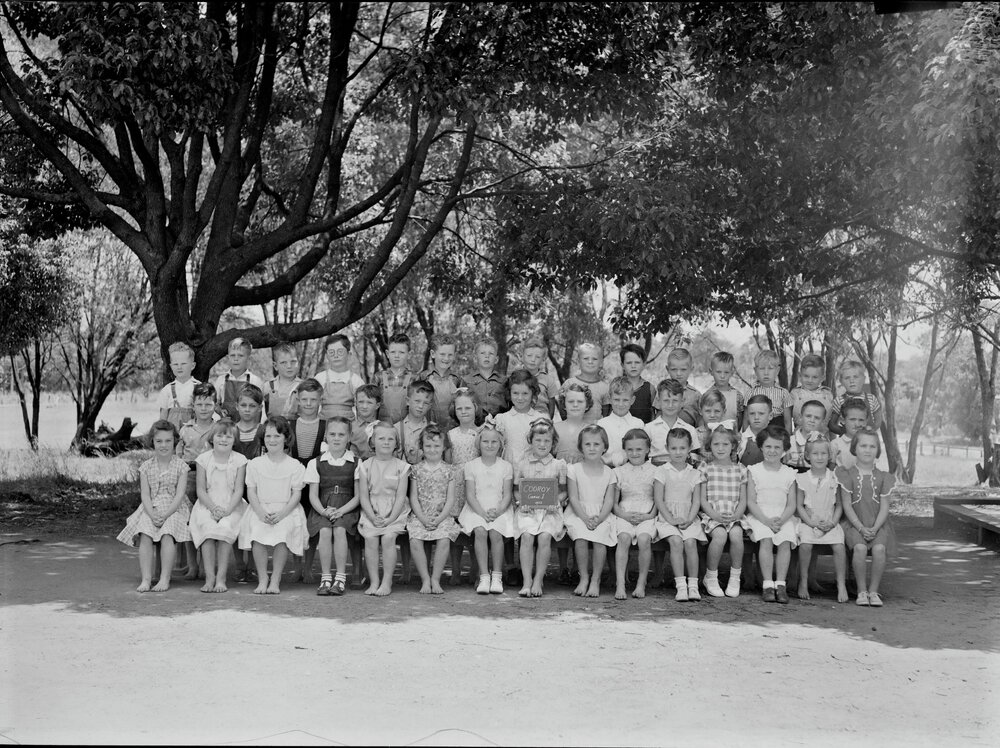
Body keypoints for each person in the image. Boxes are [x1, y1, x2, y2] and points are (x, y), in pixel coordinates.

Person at [117, 420, 191, 592]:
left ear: (175, 442)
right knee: (145, 534)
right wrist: (151, 514)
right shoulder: (146, 467)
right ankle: (146, 579)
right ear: (153, 442)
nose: (163, 445)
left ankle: (165, 578)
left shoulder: (181, 466)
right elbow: (145, 495)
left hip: (174, 508)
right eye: (159, 441)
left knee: (167, 533)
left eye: (168, 441)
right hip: (151, 508)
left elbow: (180, 495)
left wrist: (165, 516)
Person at [238, 416, 308, 595]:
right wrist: (260, 512)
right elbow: (251, 492)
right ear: (263, 439)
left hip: (286, 509)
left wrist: (282, 513)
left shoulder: (295, 465)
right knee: (258, 532)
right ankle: (263, 578)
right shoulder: (254, 464)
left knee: (282, 534)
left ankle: (275, 579)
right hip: (260, 508)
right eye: (268, 436)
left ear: (286, 438)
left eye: (277, 436)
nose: (272, 440)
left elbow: (296, 494)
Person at [837, 428, 896, 607]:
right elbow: (847, 505)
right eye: (863, 445)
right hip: (854, 523)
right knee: (860, 548)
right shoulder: (846, 474)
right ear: (855, 448)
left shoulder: (884, 477)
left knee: (879, 549)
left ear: (878, 450)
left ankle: (873, 591)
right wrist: (861, 528)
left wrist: (875, 528)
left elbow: (885, 506)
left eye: (872, 446)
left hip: (878, 524)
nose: (867, 450)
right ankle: (861, 591)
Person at [189, 419, 248, 593]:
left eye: (228, 436)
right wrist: (214, 508)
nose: (224, 439)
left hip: (232, 505)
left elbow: (238, 490)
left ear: (234, 440)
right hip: (207, 504)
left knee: (225, 528)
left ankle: (221, 578)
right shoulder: (203, 459)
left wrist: (227, 511)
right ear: (212, 438)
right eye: (220, 435)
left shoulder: (240, 460)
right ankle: (210, 578)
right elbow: (200, 490)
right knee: (207, 528)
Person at [305, 417, 360, 596]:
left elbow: (359, 496)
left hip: (347, 508)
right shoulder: (316, 462)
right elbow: (313, 495)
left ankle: (341, 577)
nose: (336, 438)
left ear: (349, 436)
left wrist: (341, 511)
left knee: (340, 529)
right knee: (325, 531)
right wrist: (323, 511)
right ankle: (326, 577)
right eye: (332, 434)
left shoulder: (357, 463)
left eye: (341, 434)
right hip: (323, 508)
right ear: (326, 436)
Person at [513, 419, 567, 598]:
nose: (542, 445)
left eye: (547, 441)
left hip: (550, 511)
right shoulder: (522, 464)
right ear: (531, 441)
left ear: (553, 443)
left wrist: (555, 502)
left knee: (544, 537)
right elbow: (516, 491)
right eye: (538, 440)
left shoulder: (558, 465)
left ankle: (538, 580)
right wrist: (522, 502)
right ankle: (527, 580)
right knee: (527, 536)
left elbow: (564, 492)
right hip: (528, 510)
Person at [460, 424, 515, 595]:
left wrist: (498, 511)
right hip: (476, 508)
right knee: (481, 530)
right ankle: (484, 575)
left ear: (500, 444)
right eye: (485, 441)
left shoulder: (506, 466)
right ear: (479, 443)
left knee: (496, 532)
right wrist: (482, 513)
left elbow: (507, 495)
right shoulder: (471, 466)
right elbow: (470, 495)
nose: (489, 445)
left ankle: (497, 575)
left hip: (500, 507)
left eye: (494, 442)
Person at [746, 425, 799, 603]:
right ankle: (768, 585)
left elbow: (792, 504)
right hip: (760, 516)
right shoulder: (754, 471)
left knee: (785, 540)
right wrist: (766, 521)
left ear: (784, 449)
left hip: (783, 517)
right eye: (768, 446)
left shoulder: (789, 473)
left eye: (777, 447)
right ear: (761, 447)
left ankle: (781, 584)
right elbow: (751, 501)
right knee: (766, 539)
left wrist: (781, 520)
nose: (772, 451)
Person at [653, 429, 707, 601]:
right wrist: (671, 519)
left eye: (682, 448)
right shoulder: (662, 471)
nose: (678, 452)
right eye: (674, 448)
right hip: (667, 518)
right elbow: (659, 500)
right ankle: (681, 586)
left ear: (690, 448)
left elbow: (696, 501)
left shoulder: (695, 473)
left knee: (690, 543)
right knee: (676, 542)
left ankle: (693, 585)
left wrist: (690, 519)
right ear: (667, 448)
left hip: (688, 517)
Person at [564, 424, 618, 598]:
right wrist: (585, 518)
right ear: (581, 447)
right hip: (579, 512)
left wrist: (599, 518)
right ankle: (584, 578)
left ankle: (596, 580)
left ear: (604, 447)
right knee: (580, 537)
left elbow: (609, 500)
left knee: (599, 539)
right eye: (588, 444)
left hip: (601, 514)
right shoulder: (574, 469)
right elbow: (573, 498)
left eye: (596, 444)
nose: (592, 448)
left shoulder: (610, 473)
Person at [358, 422, 411, 596]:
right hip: (372, 511)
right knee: (371, 538)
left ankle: (387, 581)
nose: (386, 442)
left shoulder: (402, 467)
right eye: (381, 438)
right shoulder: (365, 466)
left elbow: (401, 497)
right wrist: (373, 517)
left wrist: (390, 519)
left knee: (388, 538)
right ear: (373, 441)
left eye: (391, 439)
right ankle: (374, 581)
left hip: (395, 512)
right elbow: (363, 496)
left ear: (396, 443)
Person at [407, 425, 460, 594]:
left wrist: (438, 519)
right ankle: (425, 579)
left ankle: (436, 579)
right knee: (415, 537)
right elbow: (413, 497)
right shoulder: (415, 469)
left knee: (444, 537)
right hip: (420, 515)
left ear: (444, 447)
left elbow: (450, 499)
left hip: (441, 515)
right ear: (422, 448)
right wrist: (422, 518)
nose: (432, 449)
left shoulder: (449, 470)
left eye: (437, 446)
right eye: (428, 446)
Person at [795, 435, 848, 603]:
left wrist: (833, 522)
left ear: (829, 456)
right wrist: (810, 523)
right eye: (815, 454)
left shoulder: (835, 477)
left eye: (823, 453)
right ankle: (803, 581)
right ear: (808, 456)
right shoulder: (801, 478)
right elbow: (799, 506)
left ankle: (841, 584)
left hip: (830, 521)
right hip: (809, 521)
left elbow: (839, 505)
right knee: (805, 545)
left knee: (839, 547)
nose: (819, 457)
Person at [175, 382, 218, 580]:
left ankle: (209, 565)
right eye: (199, 404)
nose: (203, 409)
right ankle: (193, 566)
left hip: (213, 480)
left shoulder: (220, 429)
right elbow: (178, 458)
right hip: (190, 478)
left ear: (215, 405)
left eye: (208, 404)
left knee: (209, 522)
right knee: (189, 522)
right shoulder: (185, 430)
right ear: (193, 405)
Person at [699, 426, 748, 598]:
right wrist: (714, 515)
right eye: (716, 444)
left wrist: (736, 515)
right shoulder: (705, 467)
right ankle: (711, 576)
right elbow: (702, 499)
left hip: (733, 514)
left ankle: (735, 577)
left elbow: (743, 499)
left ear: (733, 446)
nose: (720, 448)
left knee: (736, 535)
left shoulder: (740, 469)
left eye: (725, 444)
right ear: (709, 446)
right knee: (719, 536)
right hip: (712, 514)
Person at [612, 429, 658, 600]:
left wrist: (649, 516)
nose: (634, 453)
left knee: (644, 539)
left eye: (639, 449)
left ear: (647, 450)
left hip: (648, 514)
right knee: (623, 538)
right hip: (624, 513)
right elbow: (614, 504)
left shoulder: (656, 471)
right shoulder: (619, 471)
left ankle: (641, 582)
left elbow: (658, 501)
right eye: (630, 449)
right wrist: (624, 516)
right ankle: (621, 584)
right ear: (625, 450)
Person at [447, 388, 483, 585]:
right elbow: (447, 462)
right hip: (456, 483)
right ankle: (455, 570)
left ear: (475, 408)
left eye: (468, 407)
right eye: (459, 408)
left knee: (474, 527)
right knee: (456, 529)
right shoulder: (450, 434)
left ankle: (476, 571)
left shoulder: (481, 432)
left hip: (475, 482)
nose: (464, 411)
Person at [494, 369, 547, 471]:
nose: (520, 397)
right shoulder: (501, 419)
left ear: (533, 394)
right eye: (515, 393)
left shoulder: (541, 419)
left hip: (533, 474)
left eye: (525, 393)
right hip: (507, 474)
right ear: (509, 393)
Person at [645, 379, 700, 466]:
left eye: (675, 401)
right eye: (666, 400)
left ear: (682, 402)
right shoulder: (649, 429)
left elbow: (693, 460)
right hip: (655, 473)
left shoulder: (690, 430)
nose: (670, 405)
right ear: (658, 401)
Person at [314, 333, 366, 420]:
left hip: (348, 428)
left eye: (340, 351)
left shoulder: (356, 381)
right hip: (323, 427)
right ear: (327, 356)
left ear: (349, 354)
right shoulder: (319, 379)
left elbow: (362, 409)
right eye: (331, 352)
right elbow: (312, 405)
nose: (336, 355)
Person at [418, 334, 463, 429]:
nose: (446, 359)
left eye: (450, 355)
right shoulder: (423, 377)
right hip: (429, 429)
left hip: (453, 429)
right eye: (442, 354)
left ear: (454, 355)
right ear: (433, 354)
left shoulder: (457, 379)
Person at [597, 376, 644, 467]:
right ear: (610, 399)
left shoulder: (638, 424)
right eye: (616, 400)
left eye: (625, 400)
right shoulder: (602, 424)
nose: (621, 404)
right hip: (606, 470)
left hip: (632, 470)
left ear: (632, 400)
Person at [214, 337, 264, 420]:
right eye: (232, 355)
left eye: (240, 355)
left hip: (249, 426)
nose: (236, 359)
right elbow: (214, 405)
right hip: (225, 427)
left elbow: (261, 410)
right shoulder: (221, 380)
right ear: (228, 357)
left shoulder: (255, 381)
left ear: (248, 358)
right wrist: (219, 411)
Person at [743, 349, 793, 432]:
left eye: (770, 368)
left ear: (777, 370)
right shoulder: (751, 393)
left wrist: (788, 439)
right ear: (755, 371)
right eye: (762, 368)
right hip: (757, 431)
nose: (766, 373)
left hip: (777, 431)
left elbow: (787, 421)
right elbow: (746, 419)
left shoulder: (783, 393)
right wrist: (745, 438)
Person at [830, 360, 884, 435]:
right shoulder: (839, 401)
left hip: (867, 439)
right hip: (847, 443)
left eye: (855, 377)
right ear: (841, 381)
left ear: (863, 379)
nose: (851, 381)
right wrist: (844, 433)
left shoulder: (871, 399)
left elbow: (878, 420)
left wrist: (871, 430)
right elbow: (831, 424)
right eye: (847, 378)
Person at [559, 342, 609, 422]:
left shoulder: (605, 387)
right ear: (578, 361)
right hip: (573, 430)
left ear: (601, 362)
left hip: (595, 432)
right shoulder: (569, 384)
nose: (590, 362)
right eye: (586, 358)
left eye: (594, 359)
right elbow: (562, 410)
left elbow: (607, 414)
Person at [158, 341, 200, 430]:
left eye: (183, 364)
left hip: (193, 433)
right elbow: (163, 417)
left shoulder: (199, 387)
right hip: (173, 435)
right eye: (176, 364)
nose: (179, 367)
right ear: (171, 366)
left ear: (192, 365)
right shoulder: (167, 390)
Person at [463, 339, 508, 417]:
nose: (487, 356)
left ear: (496, 359)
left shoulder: (505, 381)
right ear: (475, 358)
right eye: (482, 353)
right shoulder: (466, 381)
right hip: (474, 425)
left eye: (491, 353)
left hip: (500, 424)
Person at [376, 332, 415, 423]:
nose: (397, 356)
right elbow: (372, 404)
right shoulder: (378, 377)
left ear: (409, 354)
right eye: (393, 352)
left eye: (401, 352)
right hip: (383, 429)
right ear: (387, 354)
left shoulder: (415, 378)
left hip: (406, 429)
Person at [784, 400, 833, 471]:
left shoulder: (826, 444)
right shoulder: (789, 442)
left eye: (817, 418)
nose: (812, 420)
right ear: (800, 417)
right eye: (808, 416)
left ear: (823, 422)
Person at [395, 379, 435, 465]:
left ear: (430, 406)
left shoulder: (434, 430)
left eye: (426, 403)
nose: (420, 406)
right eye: (417, 401)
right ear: (408, 401)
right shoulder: (396, 429)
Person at [790, 353, 834, 431]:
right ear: (800, 376)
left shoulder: (828, 395)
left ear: (822, 377)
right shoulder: (794, 394)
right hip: (799, 436)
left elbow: (832, 423)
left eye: (815, 377)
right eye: (806, 376)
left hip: (822, 438)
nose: (810, 380)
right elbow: (787, 418)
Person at [520, 337, 560, 418]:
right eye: (529, 355)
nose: (533, 359)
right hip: (520, 418)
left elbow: (551, 404)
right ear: (522, 356)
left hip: (541, 419)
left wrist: (548, 420)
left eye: (537, 357)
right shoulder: (514, 377)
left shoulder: (548, 380)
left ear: (543, 359)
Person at [619, 343, 656, 423]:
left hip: (643, 433)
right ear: (622, 365)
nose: (633, 366)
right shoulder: (616, 386)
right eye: (629, 363)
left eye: (637, 362)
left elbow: (653, 415)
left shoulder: (650, 389)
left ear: (644, 364)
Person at [264, 343, 302, 418]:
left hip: (295, 428)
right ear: (275, 366)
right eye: (283, 362)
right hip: (272, 428)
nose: (289, 366)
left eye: (293, 362)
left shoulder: (304, 386)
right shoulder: (268, 387)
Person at [665, 348, 701, 426]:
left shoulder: (696, 395)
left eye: (683, 369)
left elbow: (700, 419)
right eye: (674, 369)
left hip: (689, 434)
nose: (678, 373)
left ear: (691, 369)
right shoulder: (662, 391)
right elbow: (656, 415)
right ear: (667, 369)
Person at [708, 350, 744, 425]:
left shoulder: (738, 396)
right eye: (718, 372)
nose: (722, 376)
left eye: (726, 372)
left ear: (732, 373)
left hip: (732, 435)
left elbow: (740, 421)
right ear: (711, 372)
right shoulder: (707, 395)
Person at [231, 384, 266, 460]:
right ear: (237, 406)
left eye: (252, 406)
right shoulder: (230, 430)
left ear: (260, 408)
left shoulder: (264, 431)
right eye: (243, 405)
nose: (247, 409)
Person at [833, 398, 869, 470]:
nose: (857, 424)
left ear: (866, 422)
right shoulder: (835, 445)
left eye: (861, 420)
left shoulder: (869, 444)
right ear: (843, 420)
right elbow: (829, 471)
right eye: (852, 419)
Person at [737, 394, 772, 467]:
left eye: (761, 413)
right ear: (747, 416)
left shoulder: (778, 439)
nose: (756, 417)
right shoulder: (740, 440)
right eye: (752, 413)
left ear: (770, 416)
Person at [350, 384, 382, 461]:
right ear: (355, 403)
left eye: (369, 403)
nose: (364, 406)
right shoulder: (350, 427)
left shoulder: (383, 428)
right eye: (361, 402)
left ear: (377, 405)